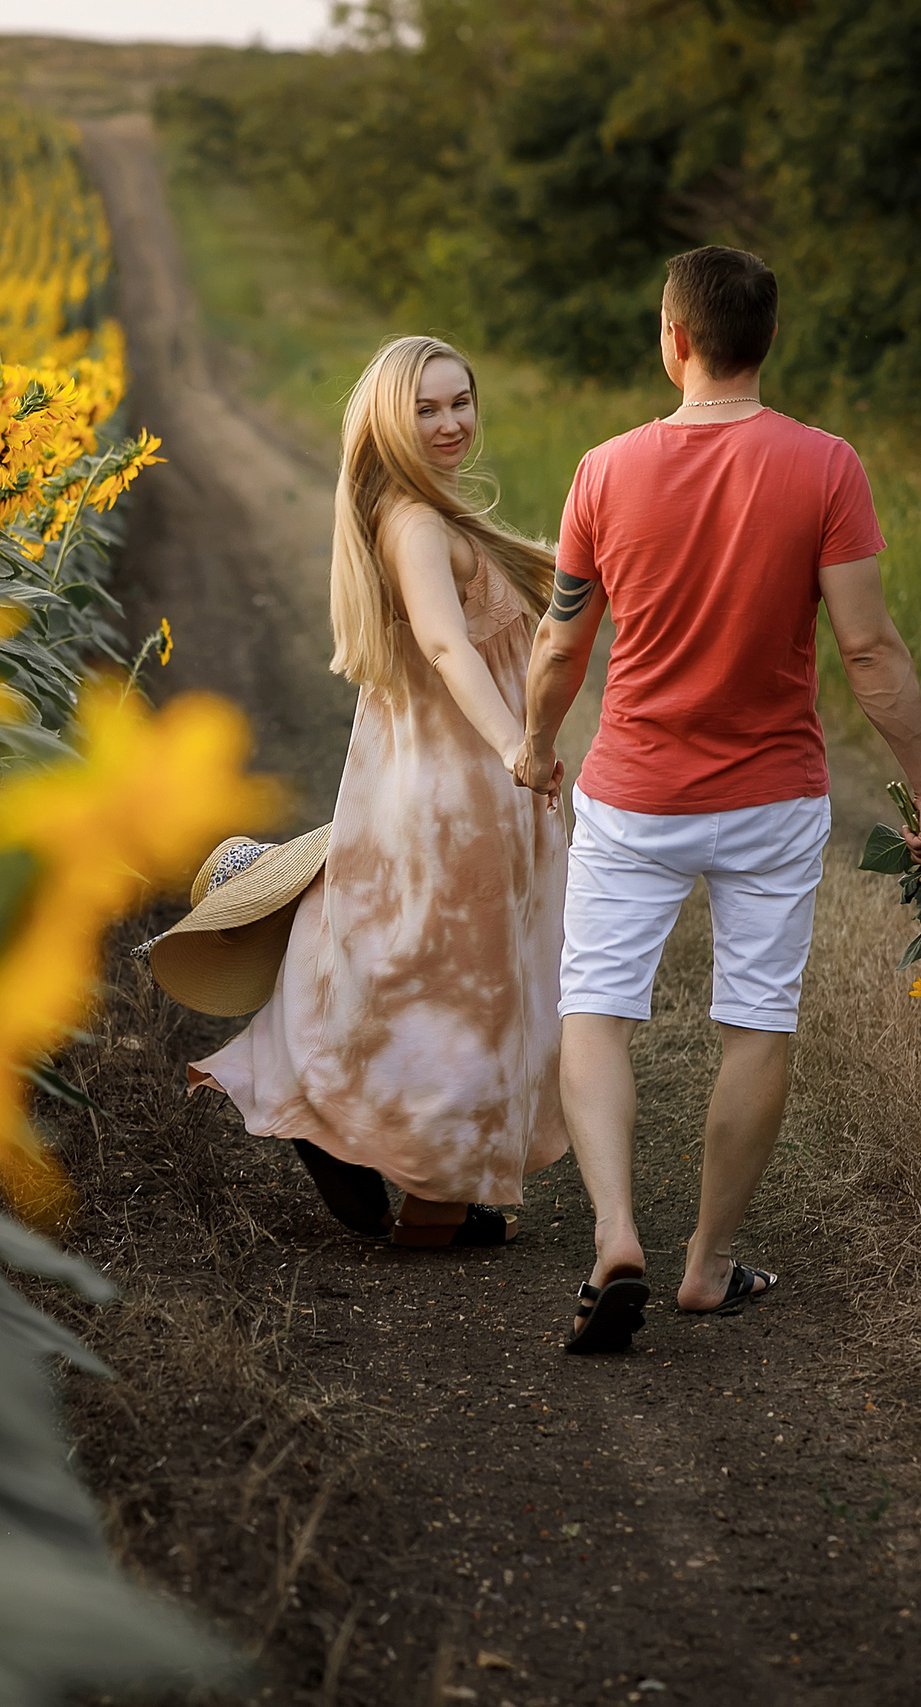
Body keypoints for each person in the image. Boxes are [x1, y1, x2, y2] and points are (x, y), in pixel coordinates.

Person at [509, 246, 921, 1352]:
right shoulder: (826, 466)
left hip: (634, 794)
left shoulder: (604, 470)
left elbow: (561, 643)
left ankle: (615, 1234)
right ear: (768, 340)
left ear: (675, 339)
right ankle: (708, 1264)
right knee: (757, 1021)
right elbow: (870, 651)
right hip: (772, 799)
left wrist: (535, 747)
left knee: (596, 1008)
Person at [187, 334, 571, 1247]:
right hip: (457, 781)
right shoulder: (414, 523)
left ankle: (430, 1187)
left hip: (453, 779)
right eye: (426, 408)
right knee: (460, 981)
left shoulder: (440, 513)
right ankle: (393, 1163)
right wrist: (515, 744)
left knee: (451, 970)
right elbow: (443, 643)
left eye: (460, 402)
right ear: (390, 421)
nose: (449, 422)